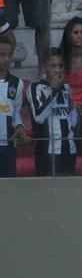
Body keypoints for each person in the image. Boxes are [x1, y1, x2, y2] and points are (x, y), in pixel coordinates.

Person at [28, 49, 79, 177]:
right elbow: (39, 117)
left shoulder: (67, 88)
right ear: (45, 67)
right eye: (53, 66)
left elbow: (73, 119)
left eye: (61, 66)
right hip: (47, 151)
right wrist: (55, 90)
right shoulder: (35, 87)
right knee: (48, 188)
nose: (58, 70)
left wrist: (75, 112)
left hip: (69, 149)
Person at [0, 35, 28, 178]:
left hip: (8, 144)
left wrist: (19, 126)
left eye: (8, 55)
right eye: (1, 55)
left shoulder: (17, 83)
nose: (5, 59)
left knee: (8, 185)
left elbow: (16, 112)